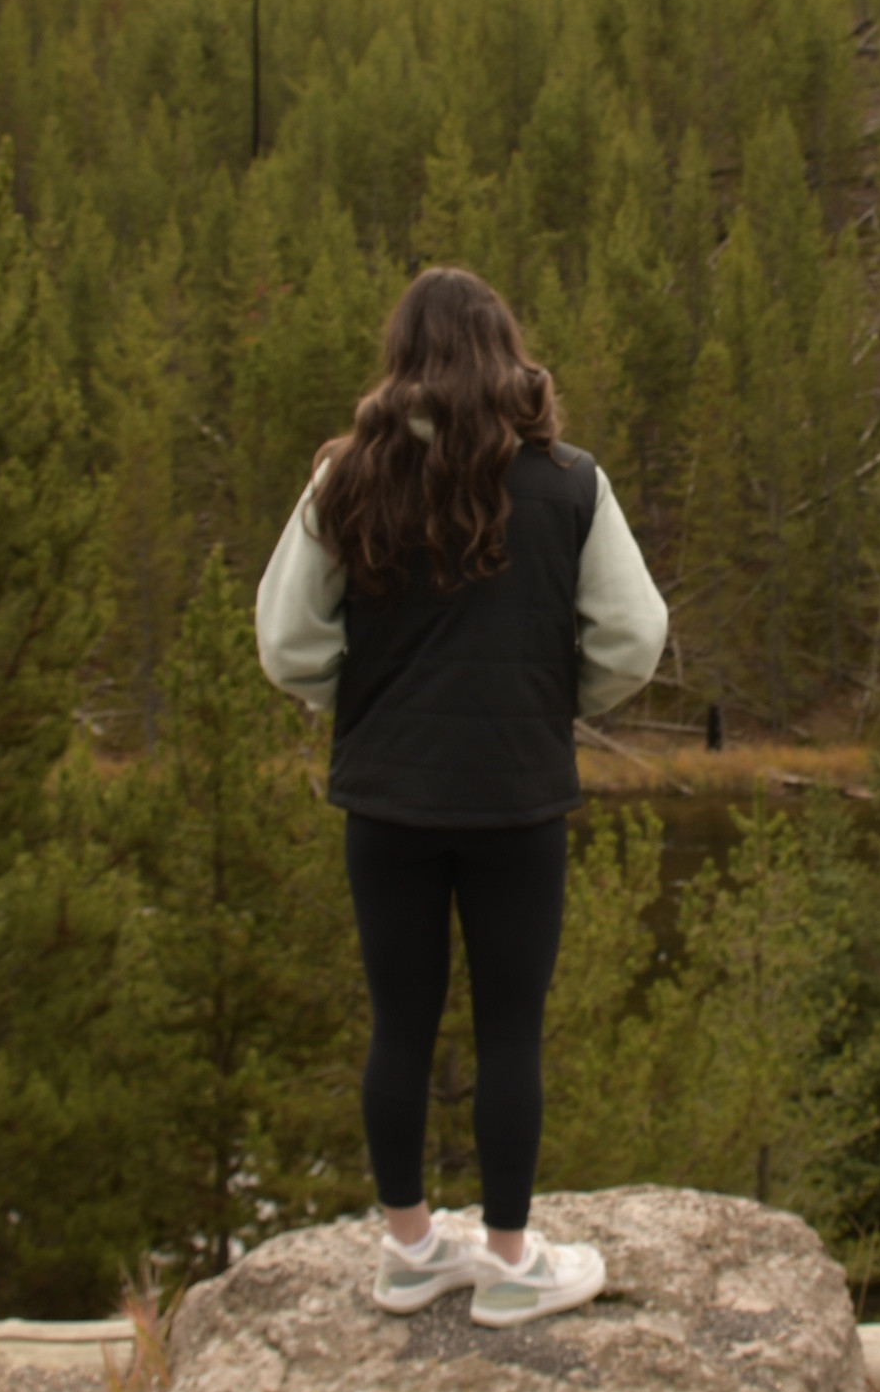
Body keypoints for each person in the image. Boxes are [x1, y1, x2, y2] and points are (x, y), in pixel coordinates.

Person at [256, 266, 668, 1324]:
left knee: (400, 1022)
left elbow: (287, 643)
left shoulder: (344, 477)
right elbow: (633, 637)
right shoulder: (570, 481)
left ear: (402, 359)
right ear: (504, 353)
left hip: (386, 797)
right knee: (509, 1031)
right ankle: (508, 1259)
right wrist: (547, 697)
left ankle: (406, 1252)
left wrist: (355, 700)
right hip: (517, 799)